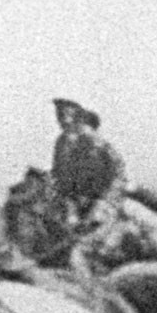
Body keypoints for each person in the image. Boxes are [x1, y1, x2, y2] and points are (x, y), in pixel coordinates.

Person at [49, 98, 126, 231]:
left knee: (96, 222)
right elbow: (58, 170)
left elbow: (116, 167)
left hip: (100, 194)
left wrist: (105, 197)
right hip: (72, 196)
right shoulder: (61, 141)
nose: (61, 119)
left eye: (64, 115)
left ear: (76, 116)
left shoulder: (92, 138)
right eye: (59, 115)